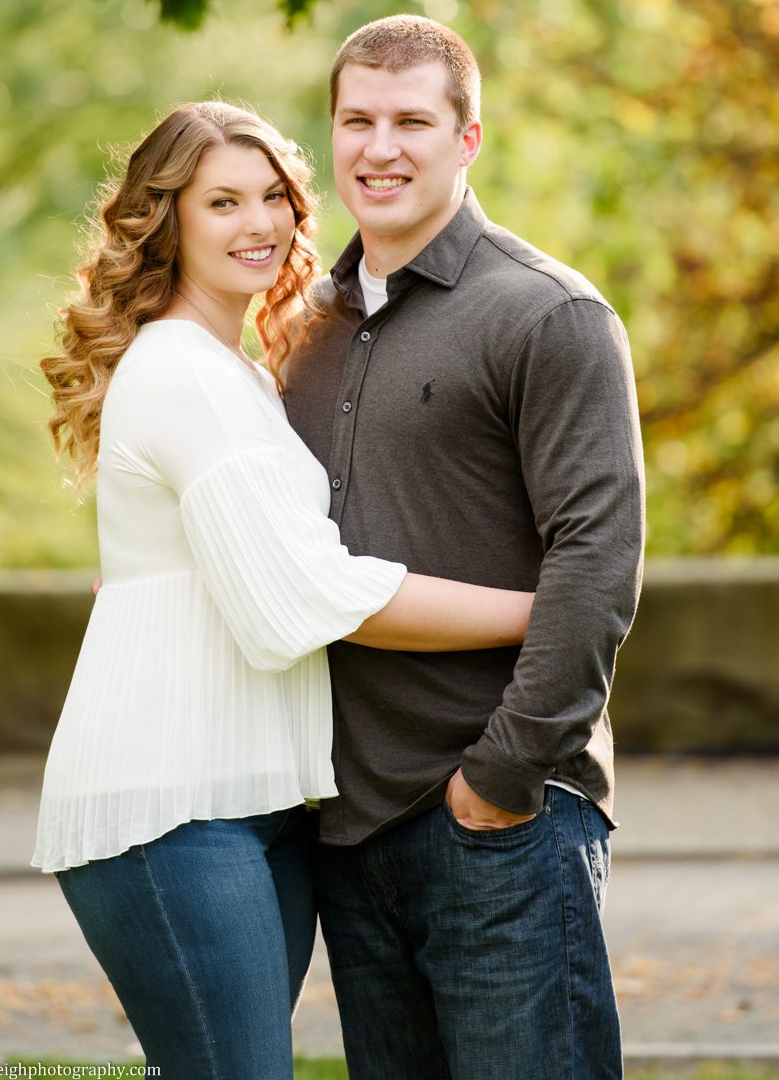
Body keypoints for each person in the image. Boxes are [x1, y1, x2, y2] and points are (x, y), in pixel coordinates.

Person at [31, 100, 537, 1079]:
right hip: (170, 805)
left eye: (273, 197)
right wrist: (542, 611)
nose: (258, 223)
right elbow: (301, 599)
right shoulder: (180, 371)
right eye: (223, 202)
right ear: (166, 220)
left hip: (259, 796)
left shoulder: (243, 375)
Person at [282, 15, 646, 1080]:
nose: (379, 148)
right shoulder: (302, 325)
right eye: (357, 120)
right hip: (349, 832)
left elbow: (597, 560)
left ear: (468, 138)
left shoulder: (548, 313)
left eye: (412, 122)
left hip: (499, 823)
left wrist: (500, 779)